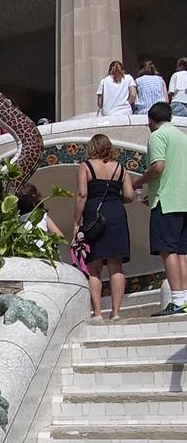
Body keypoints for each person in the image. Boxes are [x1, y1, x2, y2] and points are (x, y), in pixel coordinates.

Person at [73, 134, 134, 321]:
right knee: (116, 266)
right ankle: (116, 313)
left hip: (95, 216)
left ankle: (98, 313)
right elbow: (129, 195)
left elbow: (82, 195)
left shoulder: (86, 166)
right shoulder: (120, 168)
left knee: (94, 266)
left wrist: (76, 222)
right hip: (116, 213)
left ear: (92, 147)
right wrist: (115, 198)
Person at [133, 102, 187, 316]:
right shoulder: (182, 137)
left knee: (168, 250)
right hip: (183, 200)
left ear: (150, 120)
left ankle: (177, 300)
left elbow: (158, 166)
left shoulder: (157, 136)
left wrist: (138, 183)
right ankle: (184, 298)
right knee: (183, 252)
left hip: (167, 202)